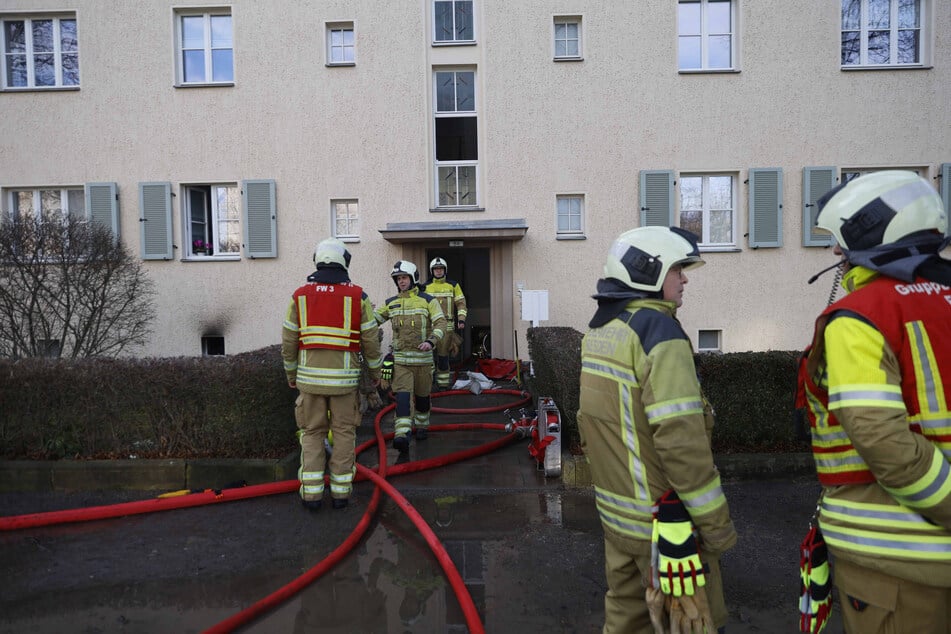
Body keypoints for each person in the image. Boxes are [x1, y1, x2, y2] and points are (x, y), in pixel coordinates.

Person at [797, 170, 951, 634]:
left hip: (896, 563)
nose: (834, 253)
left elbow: (886, 444)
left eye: (840, 240)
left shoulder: (862, 318)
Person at [576, 226, 736, 634]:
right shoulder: (659, 334)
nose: (685, 280)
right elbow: (682, 445)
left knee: (626, 620)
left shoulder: (600, 330)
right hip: (667, 529)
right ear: (647, 272)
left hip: (618, 520)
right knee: (692, 623)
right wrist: (717, 529)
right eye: (678, 270)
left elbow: (592, 425)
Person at [282, 238, 382, 512]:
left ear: (318, 260)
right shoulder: (358, 297)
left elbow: (289, 341)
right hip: (344, 383)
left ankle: (311, 495)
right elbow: (371, 342)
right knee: (344, 433)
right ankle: (341, 494)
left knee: (312, 434)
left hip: (310, 383)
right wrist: (375, 374)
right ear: (344, 262)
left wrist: (291, 374)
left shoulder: (299, 296)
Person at [375, 260, 447, 452]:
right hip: (401, 363)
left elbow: (441, 323)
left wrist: (431, 341)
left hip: (423, 363)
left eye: (404, 278)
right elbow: (372, 320)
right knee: (403, 398)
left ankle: (422, 425)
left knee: (422, 399)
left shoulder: (427, 300)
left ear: (413, 278)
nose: (401, 282)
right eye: (398, 279)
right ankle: (402, 434)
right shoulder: (391, 303)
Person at [423, 257, 468, 389]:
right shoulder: (425, 287)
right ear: (432, 271)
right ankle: (427, 384)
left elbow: (461, 304)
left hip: (447, 328)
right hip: (429, 327)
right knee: (427, 358)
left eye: (441, 268)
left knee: (443, 358)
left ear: (445, 270)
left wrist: (461, 320)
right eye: (436, 269)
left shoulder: (453, 285)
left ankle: (443, 385)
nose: (438, 271)